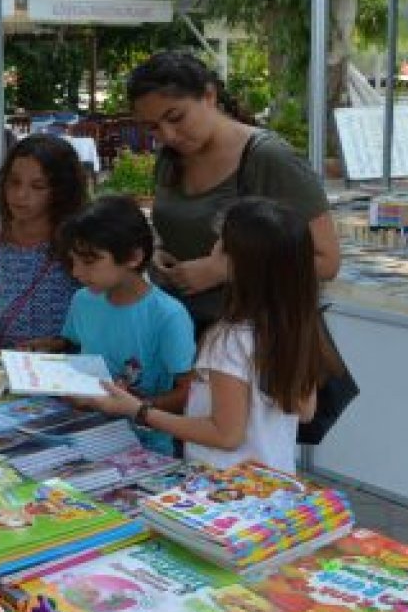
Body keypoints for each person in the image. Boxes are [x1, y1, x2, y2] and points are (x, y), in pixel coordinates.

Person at [86, 198, 343, 473]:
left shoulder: (230, 339)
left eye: (220, 243)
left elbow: (225, 435)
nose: (213, 247)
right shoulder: (294, 326)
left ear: (238, 263)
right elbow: (304, 411)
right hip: (273, 484)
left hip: (224, 491)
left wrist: (139, 411)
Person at [127, 51, 340, 337]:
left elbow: (326, 262)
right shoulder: (170, 158)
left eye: (176, 117)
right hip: (186, 334)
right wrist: (158, 255)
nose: (168, 135)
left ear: (209, 96)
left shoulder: (268, 158)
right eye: (152, 128)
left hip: (258, 342)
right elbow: (182, 229)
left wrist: (225, 270)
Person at [22, 195, 195, 455]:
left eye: (89, 261)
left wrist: (132, 405)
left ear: (133, 257)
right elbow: (75, 343)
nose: (76, 272)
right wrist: (47, 349)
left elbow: (188, 392)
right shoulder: (83, 299)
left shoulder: (168, 316)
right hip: (84, 435)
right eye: (73, 261)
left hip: (145, 448)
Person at [0, 134, 90, 354]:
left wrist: (62, 343)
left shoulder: (81, 246)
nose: (20, 195)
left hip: (66, 372)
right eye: (14, 182)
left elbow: (107, 314)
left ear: (60, 191)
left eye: (38, 186)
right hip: (7, 369)